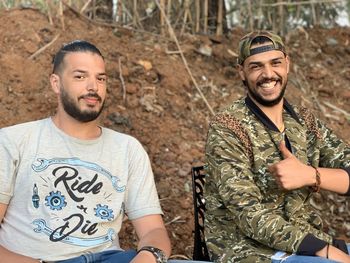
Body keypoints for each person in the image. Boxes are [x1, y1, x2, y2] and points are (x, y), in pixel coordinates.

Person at [0, 40, 209, 263]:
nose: (93, 86)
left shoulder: (128, 149)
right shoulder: (14, 141)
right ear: (56, 83)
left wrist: (147, 257)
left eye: (100, 78)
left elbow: (153, 231)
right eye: (80, 76)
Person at [204, 31, 350, 263]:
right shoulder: (227, 128)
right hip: (245, 249)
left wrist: (311, 175)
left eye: (276, 63)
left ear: (287, 64)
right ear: (241, 71)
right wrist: (323, 250)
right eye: (256, 67)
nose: (268, 74)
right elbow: (248, 214)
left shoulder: (304, 121)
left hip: (305, 240)